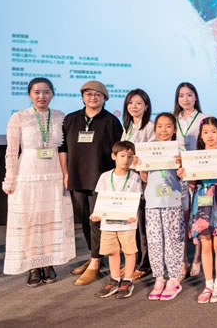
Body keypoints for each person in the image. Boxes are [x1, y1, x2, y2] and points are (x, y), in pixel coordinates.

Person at [2, 77, 75, 287]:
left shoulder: (60, 116)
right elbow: (11, 151)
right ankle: (33, 267)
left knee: (51, 219)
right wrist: (10, 179)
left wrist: (67, 174)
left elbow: (64, 149)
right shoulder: (19, 117)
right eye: (37, 92)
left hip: (54, 176)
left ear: (52, 94)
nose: (41, 96)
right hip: (28, 176)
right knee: (31, 222)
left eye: (46, 92)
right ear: (29, 94)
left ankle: (48, 263)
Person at [59, 80, 123, 285]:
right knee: (84, 219)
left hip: (101, 179)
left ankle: (95, 261)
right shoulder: (71, 119)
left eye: (97, 94)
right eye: (88, 94)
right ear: (82, 97)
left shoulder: (111, 121)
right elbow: (63, 149)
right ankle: (94, 255)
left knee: (97, 220)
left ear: (104, 98)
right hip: (76, 176)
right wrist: (65, 173)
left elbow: (119, 151)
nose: (93, 97)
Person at [138, 113, 185, 301]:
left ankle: (173, 278)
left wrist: (182, 167)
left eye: (168, 126)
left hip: (172, 201)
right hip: (152, 202)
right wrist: (141, 166)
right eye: (160, 126)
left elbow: (185, 177)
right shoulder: (148, 149)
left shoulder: (179, 151)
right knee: (155, 240)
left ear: (174, 129)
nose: (163, 130)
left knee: (173, 239)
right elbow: (145, 178)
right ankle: (158, 278)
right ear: (155, 128)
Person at [188, 118, 217, 304]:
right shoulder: (195, 156)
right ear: (200, 135)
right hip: (201, 200)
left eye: (214, 132)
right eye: (206, 132)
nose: (210, 136)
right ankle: (208, 284)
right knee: (205, 245)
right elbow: (192, 183)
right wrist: (185, 175)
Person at [91, 141, 143, 299]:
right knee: (112, 251)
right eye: (122, 156)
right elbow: (100, 198)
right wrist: (96, 213)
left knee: (129, 251)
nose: (126, 160)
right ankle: (114, 280)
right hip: (108, 223)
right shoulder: (105, 176)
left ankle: (127, 280)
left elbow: (137, 199)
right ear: (114, 156)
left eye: (130, 156)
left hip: (127, 222)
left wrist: (135, 214)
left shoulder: (135, 177)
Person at [173, 82, 207, 277]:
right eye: (181, 95)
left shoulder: (204, 119)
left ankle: (198, 258)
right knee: (182, 219)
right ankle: (183, 259)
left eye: (189, 95)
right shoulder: (172, 120)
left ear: (195, 97)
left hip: (199, 174)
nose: (185, 99)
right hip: (178, 175)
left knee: (199, 218)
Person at [121, 88, 155, 280]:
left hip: (143, 179)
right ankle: (133, 260)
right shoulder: (128, 126)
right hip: (128, 180)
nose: (134, 106)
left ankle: (144, 264)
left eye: (139, 103)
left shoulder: (149, 127)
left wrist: (140, 165)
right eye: (130, 103)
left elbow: (152, 155)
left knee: (142, 224)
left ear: (146, 106)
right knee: (131, 223)